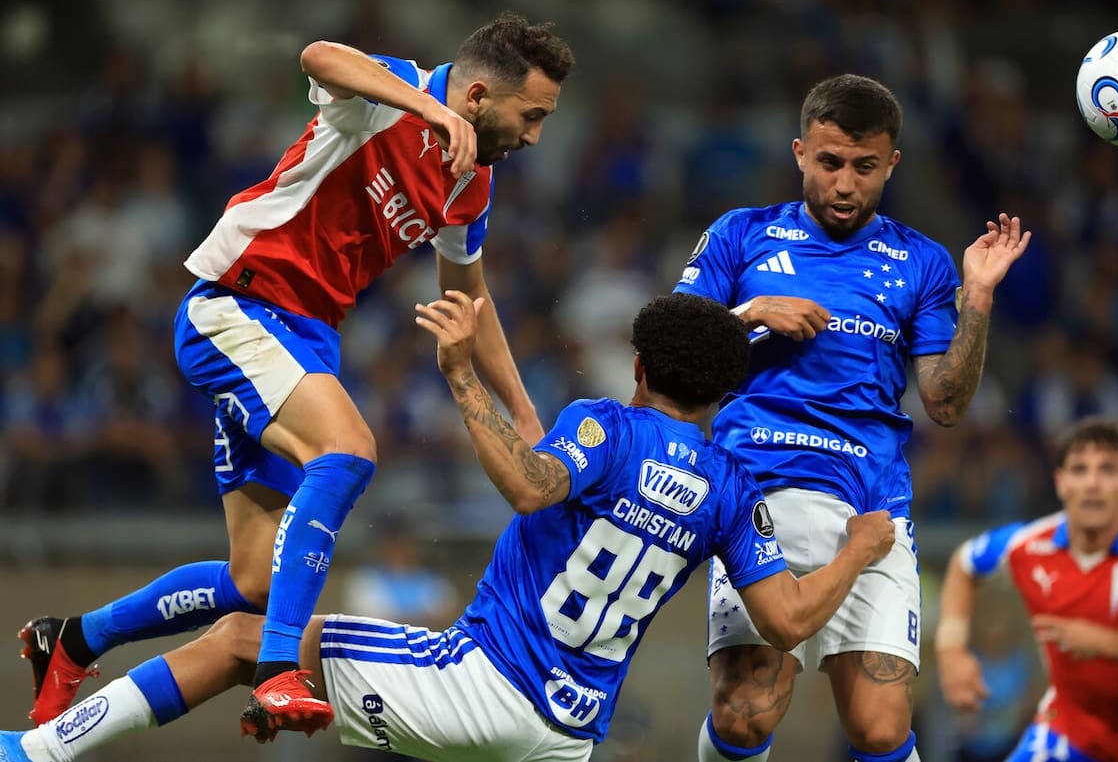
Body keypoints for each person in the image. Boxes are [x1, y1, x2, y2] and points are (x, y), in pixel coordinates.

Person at [0, 292, 897, 762]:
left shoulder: (608, 426)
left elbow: (529, 483)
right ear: (724, 393)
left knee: (240, 634)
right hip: (571, 732)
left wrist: (458, 373)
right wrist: (858, 548)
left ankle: (36, 748)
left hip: (485, 682)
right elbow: (783, 620)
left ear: (635, 366)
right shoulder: (732, 488)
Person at [17, 12, 575, 738]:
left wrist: (526, 415)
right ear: (475, 96)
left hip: (305, 340)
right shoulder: (393, 91)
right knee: (348, 452)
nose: (535, 135)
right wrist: (428, 109)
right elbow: (317, 53)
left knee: (252, 579)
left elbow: (468, 292)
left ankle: (74, 639)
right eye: (530, 115)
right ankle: (281, 667)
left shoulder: (472, 187)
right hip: (238, 305)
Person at [673, 72, 1031, 762]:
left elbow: (946, 403)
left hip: (867, 509)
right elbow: (666, 349)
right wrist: (749, 314)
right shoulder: (740, 235)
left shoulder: (922, 263)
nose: (845, 183)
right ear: (801, 151)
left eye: (865, 167)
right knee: (744, 715)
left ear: (891, 164)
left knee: (880, 728)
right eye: (830, 162)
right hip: (757, 500)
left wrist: (978, 299)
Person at [936, 416, 1118, 762]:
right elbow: (964, 564)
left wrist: (1105, 642)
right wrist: (951, 649)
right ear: (1060, 482)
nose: (1092, 483)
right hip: (1069, 731)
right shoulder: (1029, 544)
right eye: (1079, 469)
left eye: (1107, 470)